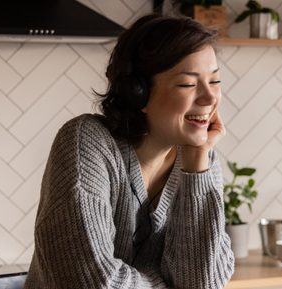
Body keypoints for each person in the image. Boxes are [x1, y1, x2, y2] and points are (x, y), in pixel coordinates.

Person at [24, 13, 234, 289]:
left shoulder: (202, 161)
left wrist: (197, 162)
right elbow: (92, 283)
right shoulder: (86, 143)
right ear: (138, 93)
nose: (209, 98)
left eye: (215, 81)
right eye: (188, 84)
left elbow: (203, 283)